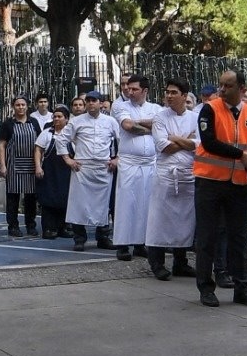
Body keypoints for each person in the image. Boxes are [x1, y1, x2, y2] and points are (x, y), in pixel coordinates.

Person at [192, 68, 247, 307]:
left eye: (228, 86)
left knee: (239, 238)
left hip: (240, 184)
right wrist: (241, 155)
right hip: (210, 181)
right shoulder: (210, 109)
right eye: (221, 85)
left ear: (242, 89)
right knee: (207, 236)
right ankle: (206, 288)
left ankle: (242, 287)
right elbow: (209, 143)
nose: (222, 90)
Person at [110, 75, 167, 263]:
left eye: (134, 89)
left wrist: (145, 124)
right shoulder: (121, 106)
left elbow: (162, 126)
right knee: (127, 203)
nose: (129, 91)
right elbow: (128, 126)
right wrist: (152, 127)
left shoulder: (156, 109)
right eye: (128, 87)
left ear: (145, 91)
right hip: (129, 161)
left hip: (150, 162)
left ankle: (141, 243)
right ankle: (123, 244)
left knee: (146, 204)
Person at [148, 80, 201, 279]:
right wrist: (185, 139)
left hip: (187, 173)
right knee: (159, 221)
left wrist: (174, 137)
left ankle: (181, 262)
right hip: (166, 173)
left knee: (184, 221)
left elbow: (200, 145)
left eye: (174, 92)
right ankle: (157, 263)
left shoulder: (195, 118)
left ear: (184, 95)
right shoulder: (160, 118)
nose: (169, 96)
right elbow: (164, 146)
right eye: (167, 92)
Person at [61, 91, 120, 250]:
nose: (90, 103)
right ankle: (79, 238)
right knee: (78, 205)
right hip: (82, 168)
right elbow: (61, 139)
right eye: (88, 100)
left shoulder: (111, 121)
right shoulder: (76, 122)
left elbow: (123, 140)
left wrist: (117, 158)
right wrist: (68, 159)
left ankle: (103, 237)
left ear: (101, 103)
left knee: (103, 204)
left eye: (94, 100)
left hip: (103, 167)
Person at [0, 97, 42, 234]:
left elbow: (40, 145)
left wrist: (39, 165)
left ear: (27, 106)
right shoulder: (8, 124)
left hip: (31, 164)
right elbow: (2, 145)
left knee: (30, 197)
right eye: (18, 105)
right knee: (13, 198)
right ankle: (13, 226)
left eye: (23, 104)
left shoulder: (34, 122)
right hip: (13, 165)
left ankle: (31, 225)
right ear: (13, 107)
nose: (21, 107)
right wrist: (2, 165)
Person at [36, 100, 74, 238]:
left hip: (66, 174)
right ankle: (49, 229)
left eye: (60, 116)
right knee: (48, 200)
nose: (57, 119)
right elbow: (38, 150)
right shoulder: (46, 133)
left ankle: (63, 227)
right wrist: (38, 167)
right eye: (55, 116)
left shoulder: (72, 135)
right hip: (50, 173)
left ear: (67, 119)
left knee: (65, 200)